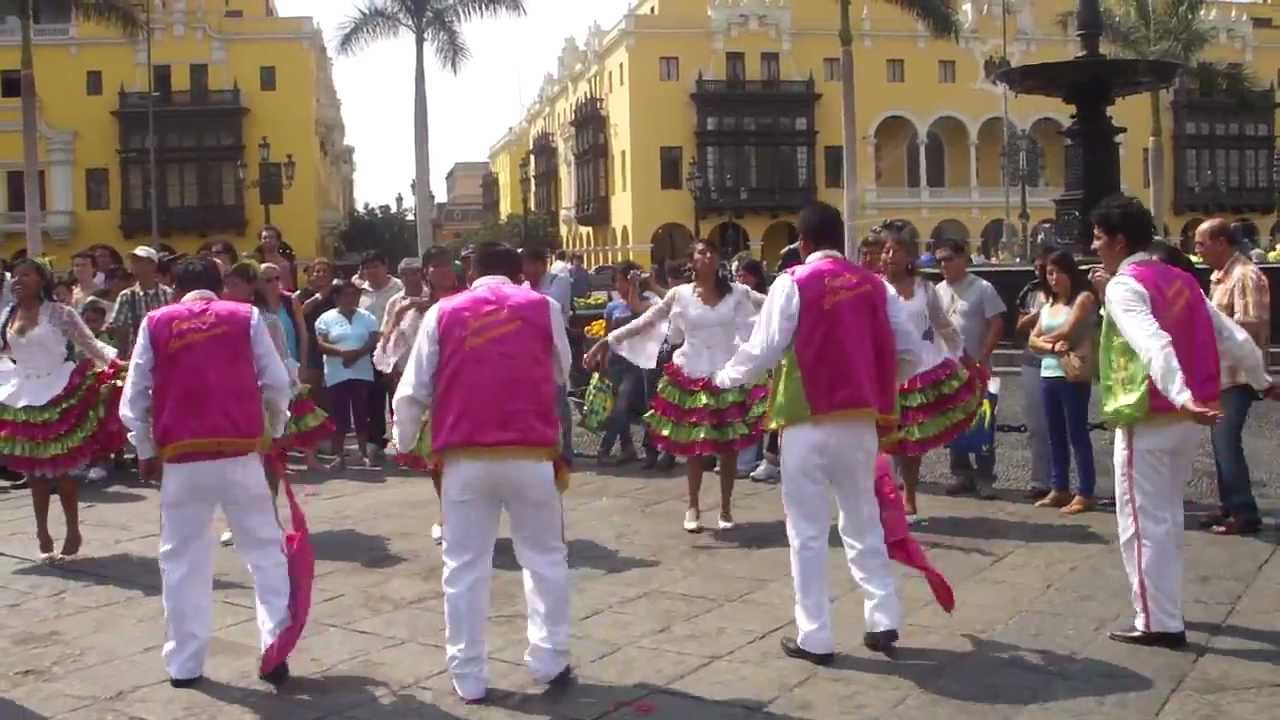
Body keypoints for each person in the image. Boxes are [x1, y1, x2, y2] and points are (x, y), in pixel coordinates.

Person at [712, 202, 922, 662]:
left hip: (805, 421)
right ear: (840, 240)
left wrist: (724, 377)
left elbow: (763, 350)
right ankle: (882, 615)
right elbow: (910, 351)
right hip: (859, 422)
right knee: (862, 517)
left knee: (807, 531)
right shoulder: (876, 287)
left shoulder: (792, 283)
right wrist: (875, 379)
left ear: (802, 244)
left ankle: (816, 636)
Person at [1088, 195, 1273, 649]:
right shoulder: (1183, 278)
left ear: (1117, 239)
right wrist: (1260, 378)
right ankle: (1164, 609)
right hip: (1188, 417)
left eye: (1097, 237)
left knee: (1140, 520)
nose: (1094, 246)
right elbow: (1229, 333)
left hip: (1150, 412)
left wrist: (1181, 395)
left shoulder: (1124, 284)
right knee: (1166, 515)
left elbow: (1153, 344)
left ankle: (1157, 621)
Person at [392, 241, 573, 703]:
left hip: (465, 456)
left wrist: (405, 441)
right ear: (518, 273)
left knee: (464, 567)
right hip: (530, 452)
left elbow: (413, 389)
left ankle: (469, 675)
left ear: (472, 271)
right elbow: (561, 372)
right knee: (545, 558)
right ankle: (549, 658)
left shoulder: (444, 313)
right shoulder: (543, 306)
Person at [118, 255, 293, 688]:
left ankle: (185, 664)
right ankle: (275, 649)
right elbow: (277, 382)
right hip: (239, 452)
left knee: (182, 561)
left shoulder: (157, 322)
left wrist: (143, 447)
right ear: (221, 284)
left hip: (182, 459)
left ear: (176, 288)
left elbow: (134, 395)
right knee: (265, 555)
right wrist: (271, 428)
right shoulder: (244, 317)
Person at [585, 239, 767, 532]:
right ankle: (693, 505)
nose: (707, 256)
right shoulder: (679, 295)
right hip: (692, 374)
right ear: (691, 261)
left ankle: (725, 507)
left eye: (712, 251)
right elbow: (645, 320)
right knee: (694, 446)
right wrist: (608, 340)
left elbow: (774, 307)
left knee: (728, 445)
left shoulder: (737, 293)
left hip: (727, 375)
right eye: (701, 252)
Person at [0, 258, 125, 561]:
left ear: (41, 280)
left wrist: (119, 366)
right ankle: (42, 530)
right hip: (25, 397)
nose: (18, 281)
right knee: (36, 472)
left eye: (26, 275)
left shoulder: (60, 313)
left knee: (63, 469)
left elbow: (90, 343)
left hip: (60, 390)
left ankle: (72, 528)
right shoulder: (7, 314)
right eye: (15, 276)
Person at [879, 229, 980, 522]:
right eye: (886, 250)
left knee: (912, 440)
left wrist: (963, 355)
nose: (889, 255)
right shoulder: (875, 288)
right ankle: (886, 494)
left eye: (896, 250)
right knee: (887, 439)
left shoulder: (925, 288)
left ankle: (908, 496)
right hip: (889, 372)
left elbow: (942, 324)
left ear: (909, 255)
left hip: (923, 369)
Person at [1193, 219, 1270, 535]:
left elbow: (1248, 327)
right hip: (1221, 374)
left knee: (1227, 442)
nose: (1196, 251)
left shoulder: (1244, 276)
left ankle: (1244, 512)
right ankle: (1229, 505)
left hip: (1237, 374)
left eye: (1201, 243)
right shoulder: (1221, 276)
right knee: (1220, 441)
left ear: (1221, 242)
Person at [1028, 250, 1099, 515]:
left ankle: (1086, 491)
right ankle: (1059, 487)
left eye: (1058, 271)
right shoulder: (1047, 305)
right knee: (1054, 433)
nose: (1054, 278)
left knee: (1077, 433)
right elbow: (1031, 340)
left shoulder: (1083, 298)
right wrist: (1049, 345)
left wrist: (1042, 341)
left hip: (1072, 374)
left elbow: (1067, 330)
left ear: (1070, 272)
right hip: (1048, 372)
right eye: (1049, 273)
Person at [934, 237, 1005, 497]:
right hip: (948, 370)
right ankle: (961, 473)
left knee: (983, 421)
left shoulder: (982, 288)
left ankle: (985, 477)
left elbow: (996, 324)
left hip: (977, 366)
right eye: (939, 260)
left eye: (948, 259)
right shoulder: (937, 291)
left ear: (963, 258)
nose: (943, 265)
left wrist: (983, 356)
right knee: (954, 423)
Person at [598, 261, 659, 465]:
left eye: (621, 280)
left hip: (635, 364)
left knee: (622, 407)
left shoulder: (646, 304)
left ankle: (605, 448)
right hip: (615, 362)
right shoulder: (612, 307)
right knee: (615, 405)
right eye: (617, 281)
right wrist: (602, 360)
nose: (618, 285)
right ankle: (627, 447)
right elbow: (607, 335)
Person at [316, 281, 380, 468]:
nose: (350, 298)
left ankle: (363, 453)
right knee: (339, 415)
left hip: (361, 371)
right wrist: (341, 353)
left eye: (354, 294)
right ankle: (339, 456)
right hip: (337, 372)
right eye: (346, 295)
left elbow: (373, 340)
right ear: (337, 297)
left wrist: (356, 355)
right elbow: (321, 343)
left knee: (361, 413)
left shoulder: (367, 317)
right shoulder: (325, 318)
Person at [522, 246, 576, 465]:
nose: (526, 271)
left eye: (530, 265)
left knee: (559, 399)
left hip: (554, 345)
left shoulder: (558, 280)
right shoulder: (524, 286)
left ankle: (567, 447)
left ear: (541, 265)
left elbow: (548, 304)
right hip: (530, 348)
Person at [357, 251, 403, 460]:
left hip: (396, 353)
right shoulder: (360, 292)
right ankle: (376, 442)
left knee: (398, 398)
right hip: (369, 352)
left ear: (386, 266)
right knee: (372, 399)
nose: (371, 271)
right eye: (367, 267)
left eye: (375, 266)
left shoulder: (399, 288)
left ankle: (403, 443)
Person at [1015, 248, 1053, 499]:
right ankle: (1040, 479)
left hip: (1062, 362)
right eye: (1037, 268)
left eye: (1046, 268)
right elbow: (1019, 326)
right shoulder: (1030, 291)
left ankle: (1065, 481)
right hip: (1033, 360)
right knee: (1037, 426)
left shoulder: (1073, 293)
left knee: (1065, 427)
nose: (1040, 273)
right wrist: (1040, 314)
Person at [109, 246, 174, 360]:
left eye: (139, 261)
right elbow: (119, 330)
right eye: (133, 261)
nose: (134, 264)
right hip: (137, 356)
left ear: (153, 265)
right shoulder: (126, 296)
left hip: (165, 354)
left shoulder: (168, 294)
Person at [254, 225, 298, 292]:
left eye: (271, 237)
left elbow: (292, 284)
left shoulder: (287, 261)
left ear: (278, 241)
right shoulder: (256, 261)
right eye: (264, 238)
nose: (268, 240)